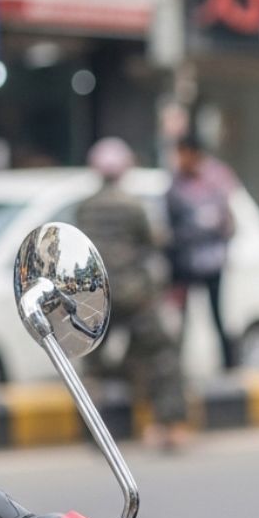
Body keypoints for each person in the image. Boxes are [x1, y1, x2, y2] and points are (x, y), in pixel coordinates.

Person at [76, 138, 190, 449]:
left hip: (96, 298)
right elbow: (154, 242)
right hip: (134, 295)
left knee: (92, 365)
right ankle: (170, 424)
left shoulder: (85, 208)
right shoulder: (132, 206)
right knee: (163, 354)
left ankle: (93, 434)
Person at [166, 133, 238, 370]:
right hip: (186, 262)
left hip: (211, 260)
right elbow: (171, 222)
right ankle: (177, 369)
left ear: (194, 153)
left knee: (218, 316)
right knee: (181, 319)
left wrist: (203, 225)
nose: (179, 159)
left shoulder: (217, 178)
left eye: (182, 154)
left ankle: (229, 367)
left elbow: (226, 221)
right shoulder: (176, 183)